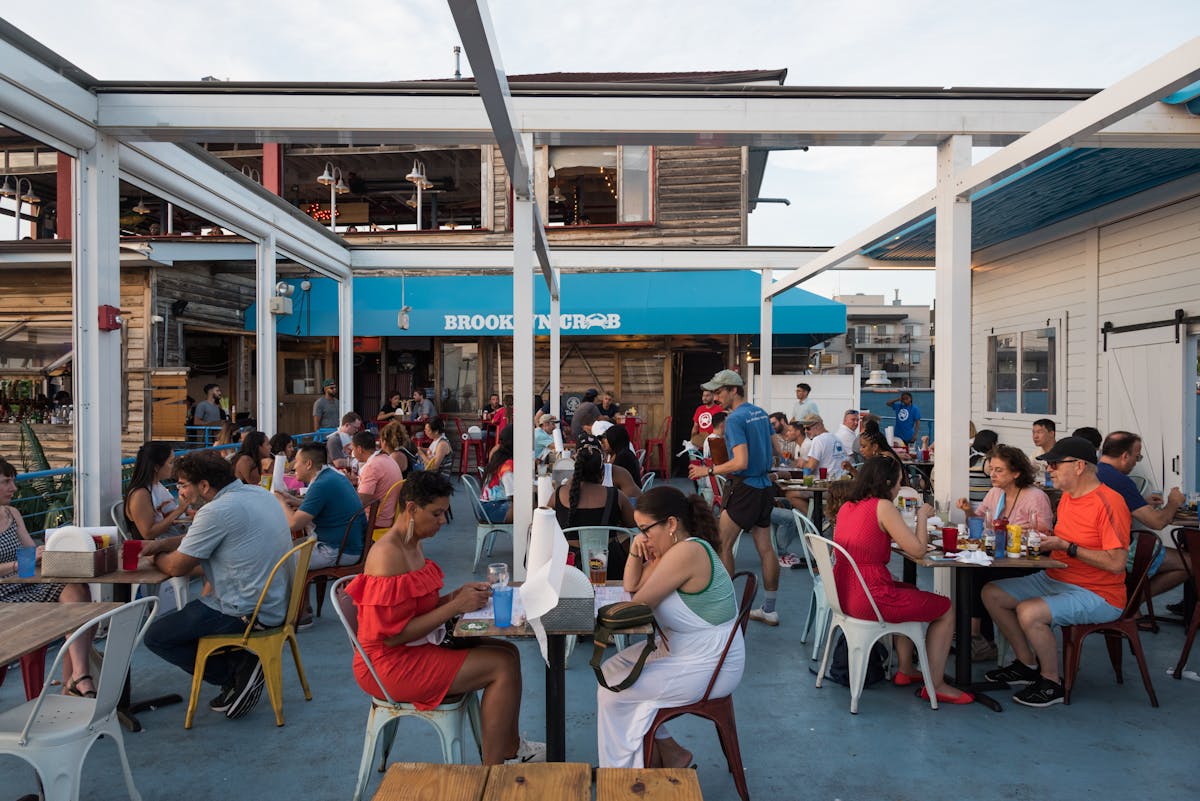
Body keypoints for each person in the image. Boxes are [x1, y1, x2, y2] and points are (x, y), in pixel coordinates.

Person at [345, 472, 543, 765]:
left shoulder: (413, 543)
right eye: (436, 513)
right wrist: (453, 607)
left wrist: (456, 596)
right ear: (411, 509)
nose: (442, 521)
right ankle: (493, 771)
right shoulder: (387, 555)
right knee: (500, 666)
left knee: (509, 652)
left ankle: (511, 750)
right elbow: (393, 635)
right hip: (388, 663)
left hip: (413, 647)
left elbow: (415, 609)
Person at [597, 485, 745, 768]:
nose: (642, 537)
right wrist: (635, 553)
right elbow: (632, 585)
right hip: (685, 648)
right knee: (610, 672)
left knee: (612, 690)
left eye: (645, 529)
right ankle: (669, 754)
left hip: (710, 662)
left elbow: (639, 606)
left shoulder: (687, 552)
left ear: (672, 524)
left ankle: (620, 776)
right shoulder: (674, 551)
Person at [141, 450, 292, 720]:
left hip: (245, 610)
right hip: (275, 601)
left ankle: (236, 673)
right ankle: (240, 663)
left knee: (157, 636)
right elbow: (201, 537)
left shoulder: (215, 511)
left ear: (204, 486)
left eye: (182, 485)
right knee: (188, 619)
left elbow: (177, 567)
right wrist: (164, 543)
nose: (180, 491)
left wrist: (155, 557)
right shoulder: (255, 493)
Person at [982, 436, 1131, 708]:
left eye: (1054, 464)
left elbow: (1116, 563)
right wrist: (1039, 535)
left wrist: (1067, 547)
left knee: (1029, 611)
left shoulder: (1109, 502)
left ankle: (1051, 681)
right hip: (1057, 577)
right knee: (992, 593)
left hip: (1099, 593)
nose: (1049, 469)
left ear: (1079, 466)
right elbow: (1062, 539)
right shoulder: (1068, 498)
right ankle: (1027, 663)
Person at [830, 457, 972, 704]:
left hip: (845, 593)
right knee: (946, 608)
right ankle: (935, 684)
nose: (899, 487)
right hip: (869, 597)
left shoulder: (847, 506)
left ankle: (906, 670)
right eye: (899, 482)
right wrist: (923, 517)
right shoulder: (883, 506)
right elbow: (918, 550)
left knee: (912, 591)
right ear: (887, 483)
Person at [686, 370, 779, 626]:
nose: (716, 397)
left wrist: (709, 469)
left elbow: (741, 461)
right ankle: (769, 608)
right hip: (763, 487)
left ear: (733, 390)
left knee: (721, 544)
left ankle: (726, 608)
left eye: (719, 391)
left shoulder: (735, 419)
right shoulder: (760, 413)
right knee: (766, 548)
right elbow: (777, 451)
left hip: (745, 486)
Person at [1, 456, 99, 698]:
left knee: (79, 592)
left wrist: (54, 550)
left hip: (24, 583)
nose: (13, 488)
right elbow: (24, 559)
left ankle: (76, 678)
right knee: (83, 610)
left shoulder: (12, 514)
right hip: (4, 595)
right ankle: (78, 683)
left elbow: (30, 551)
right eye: (5, 482)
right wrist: (20, 563)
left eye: (13, 481)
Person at [955, 445, 1055, 662]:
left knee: (981, 577)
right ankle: (978, 637)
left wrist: (1021, 533)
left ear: (1016, 473)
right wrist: (968, 512)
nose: (992, 474)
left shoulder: (1035, 497)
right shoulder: (995, 493)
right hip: (1000, 559)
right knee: (972, 572)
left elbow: (1043, 536)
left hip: (1026, 565)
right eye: (991, 469)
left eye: (999, 470)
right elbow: (980, 523)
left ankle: (977, 638)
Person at [1096, 431, 1188, 600]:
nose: (1135, 463)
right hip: (1116, 551)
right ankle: (1132, 601)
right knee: (1189, 563)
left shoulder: (1094, 472)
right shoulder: (1119, 480)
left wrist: (1140, 502)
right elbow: (1157, 522)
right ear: (1125, 456)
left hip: (1093, 548)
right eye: (1137, 458)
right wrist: (1173, 502)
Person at [276, 444, 367, 569]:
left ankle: (292, 589)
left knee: (279, 561)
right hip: (349, 544)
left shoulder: (321, 484)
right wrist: (291, 499)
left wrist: (280, 501)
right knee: (282, 549)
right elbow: (324, 506)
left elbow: (294, 524)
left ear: (308, 464)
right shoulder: (332, 475)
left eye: (297, 461)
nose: (294, 466)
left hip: (337, 550)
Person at [552, 443, 635, 575]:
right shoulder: (616, 495)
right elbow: (632, 523)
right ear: (602, 473)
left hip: (569, 566)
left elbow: (545, 523)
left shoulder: (559, 494)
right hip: (609, 566)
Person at [124, 441, 189, 539]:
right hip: (153, 550)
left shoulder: (157, 485)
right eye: (170, 462)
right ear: (157, 467)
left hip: (170, 542)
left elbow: (168, 516)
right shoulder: (140, 494)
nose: (173, 466)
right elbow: (148, 533)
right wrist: (180, 510)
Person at [351, 429, 403, 531]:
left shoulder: (371, 466)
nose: (352, 452)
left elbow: (361, 501)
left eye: (353, 448)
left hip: (375, 520)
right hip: (389, 516)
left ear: (359, 449)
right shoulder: (387, 459)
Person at [480, 426, 515, 523]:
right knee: (533, 509)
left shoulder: (498, 455)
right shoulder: (508, 465)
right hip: (495, 509)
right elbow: (513, 495)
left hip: (485, 507)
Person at [802, 414, 847, 479]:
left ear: (818, 425)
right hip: (838, 482)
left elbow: (810, 467)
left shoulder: (818, 440)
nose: (805, 431)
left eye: (808, 428)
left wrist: (802, 464)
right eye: (804, 428)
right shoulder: (837, 439)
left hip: (824, 484)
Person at [968, 430, 999, 504]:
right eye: (996, 443)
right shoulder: (987, 461)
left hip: (968, 501)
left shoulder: (968, 458)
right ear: (991, 445)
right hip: (983, 504)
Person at [1031, 418, 1057, 484]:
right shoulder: (1036, 453)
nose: (1035, 436)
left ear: (1051, 433)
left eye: (1039, 432)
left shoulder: (1062, 452)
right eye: (1033, 432)